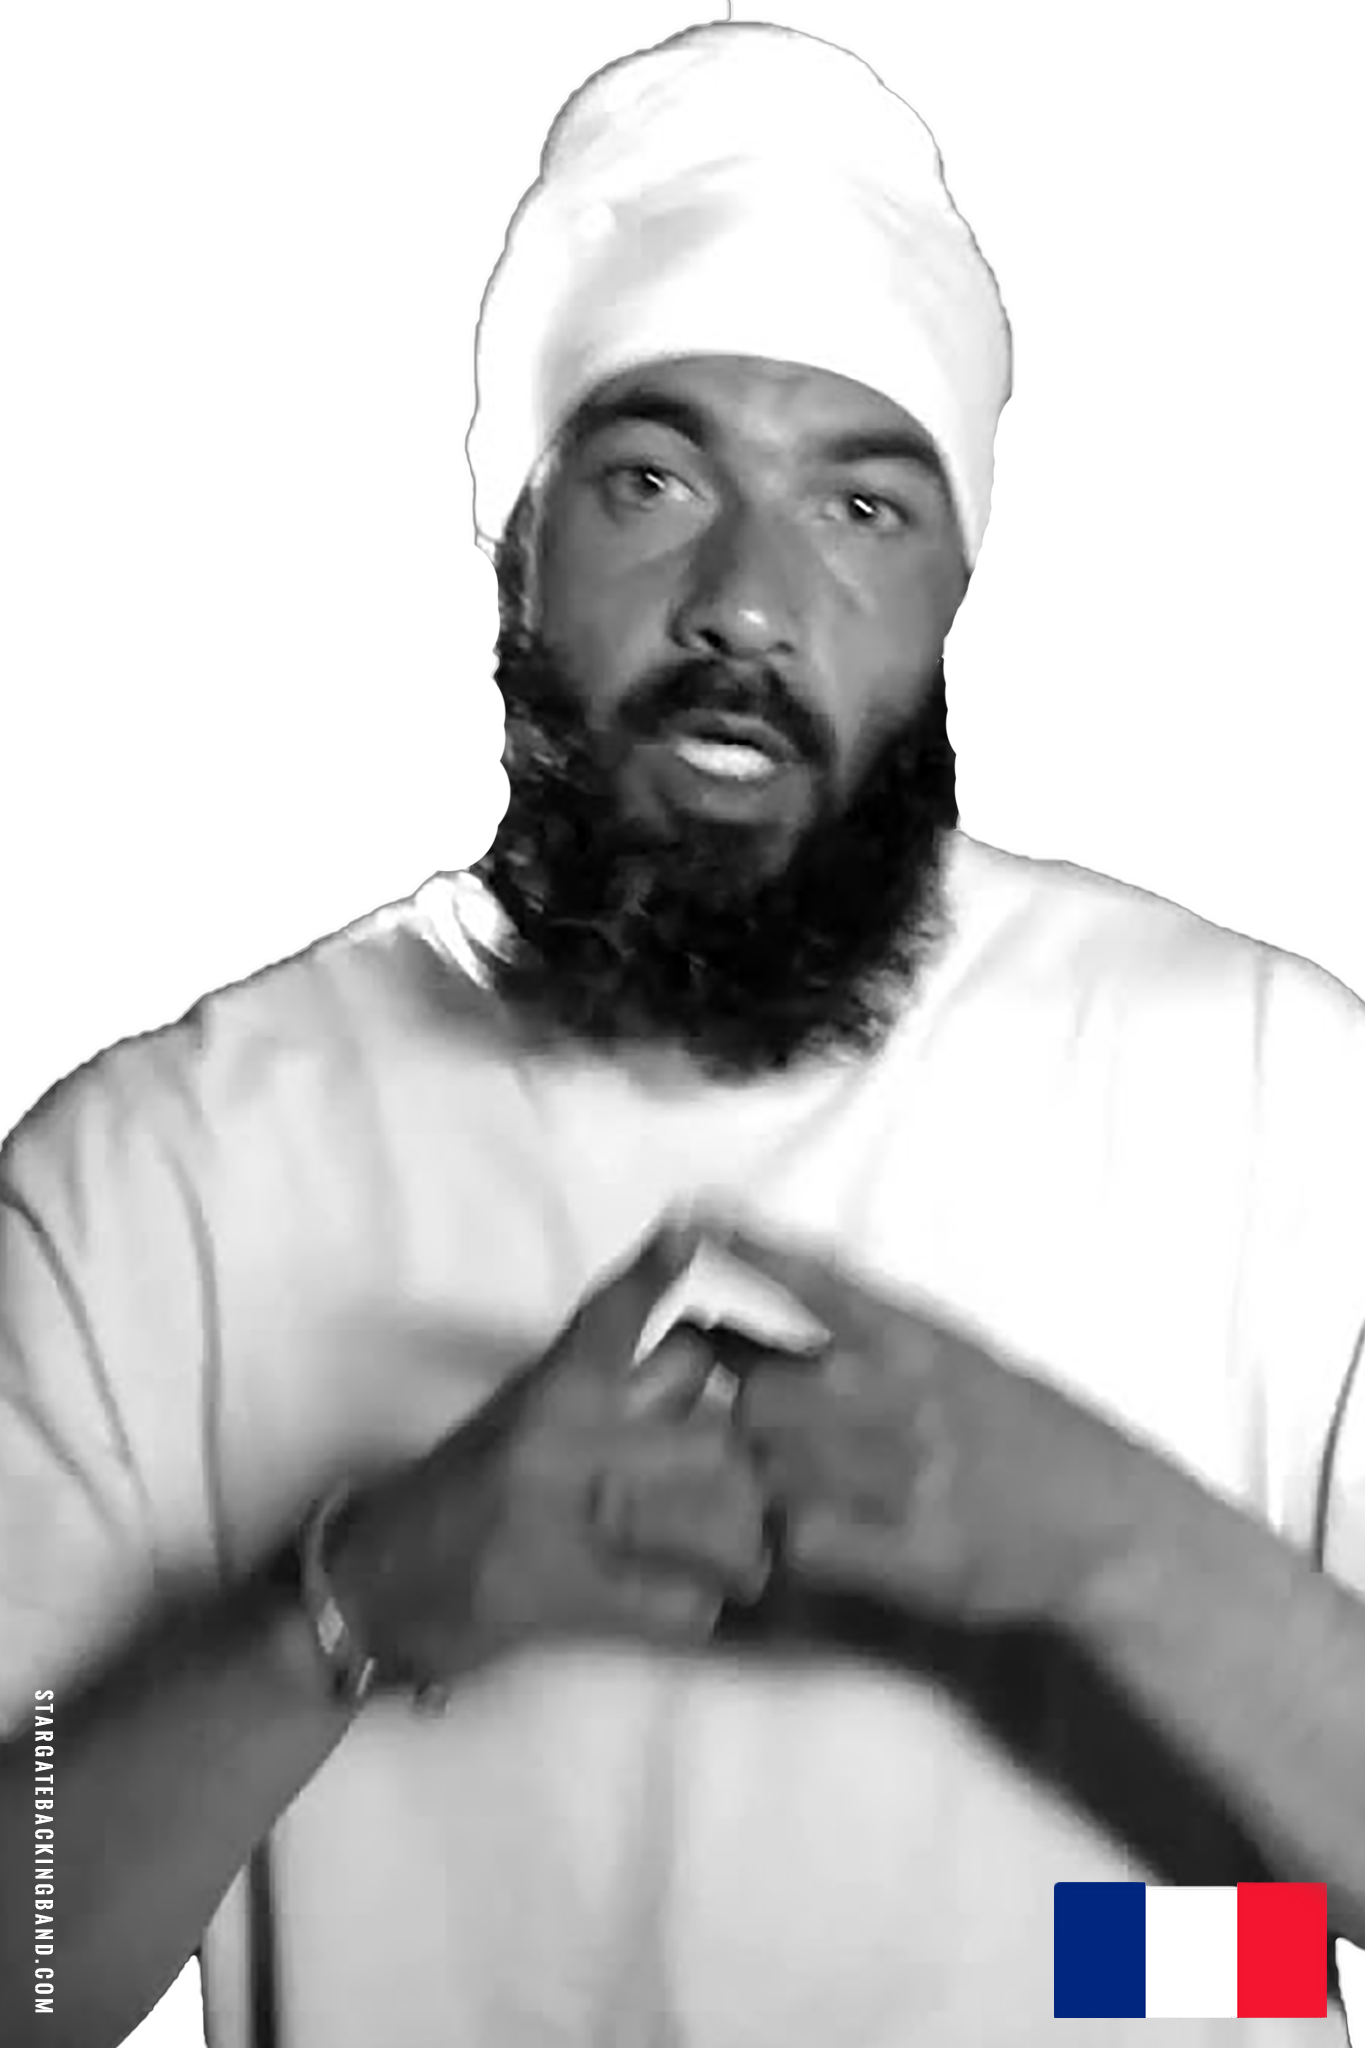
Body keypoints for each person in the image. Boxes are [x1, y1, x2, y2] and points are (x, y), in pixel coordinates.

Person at [2, 21, 1363, 2048]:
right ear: (512, 534)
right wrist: (341, 1603)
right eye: (654, 479)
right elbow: (21, 1961)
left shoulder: (1265, 1082)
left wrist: (1113, 1549)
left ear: (957, 594)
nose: (749, 599)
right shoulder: (158, 1171)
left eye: (863, 507)